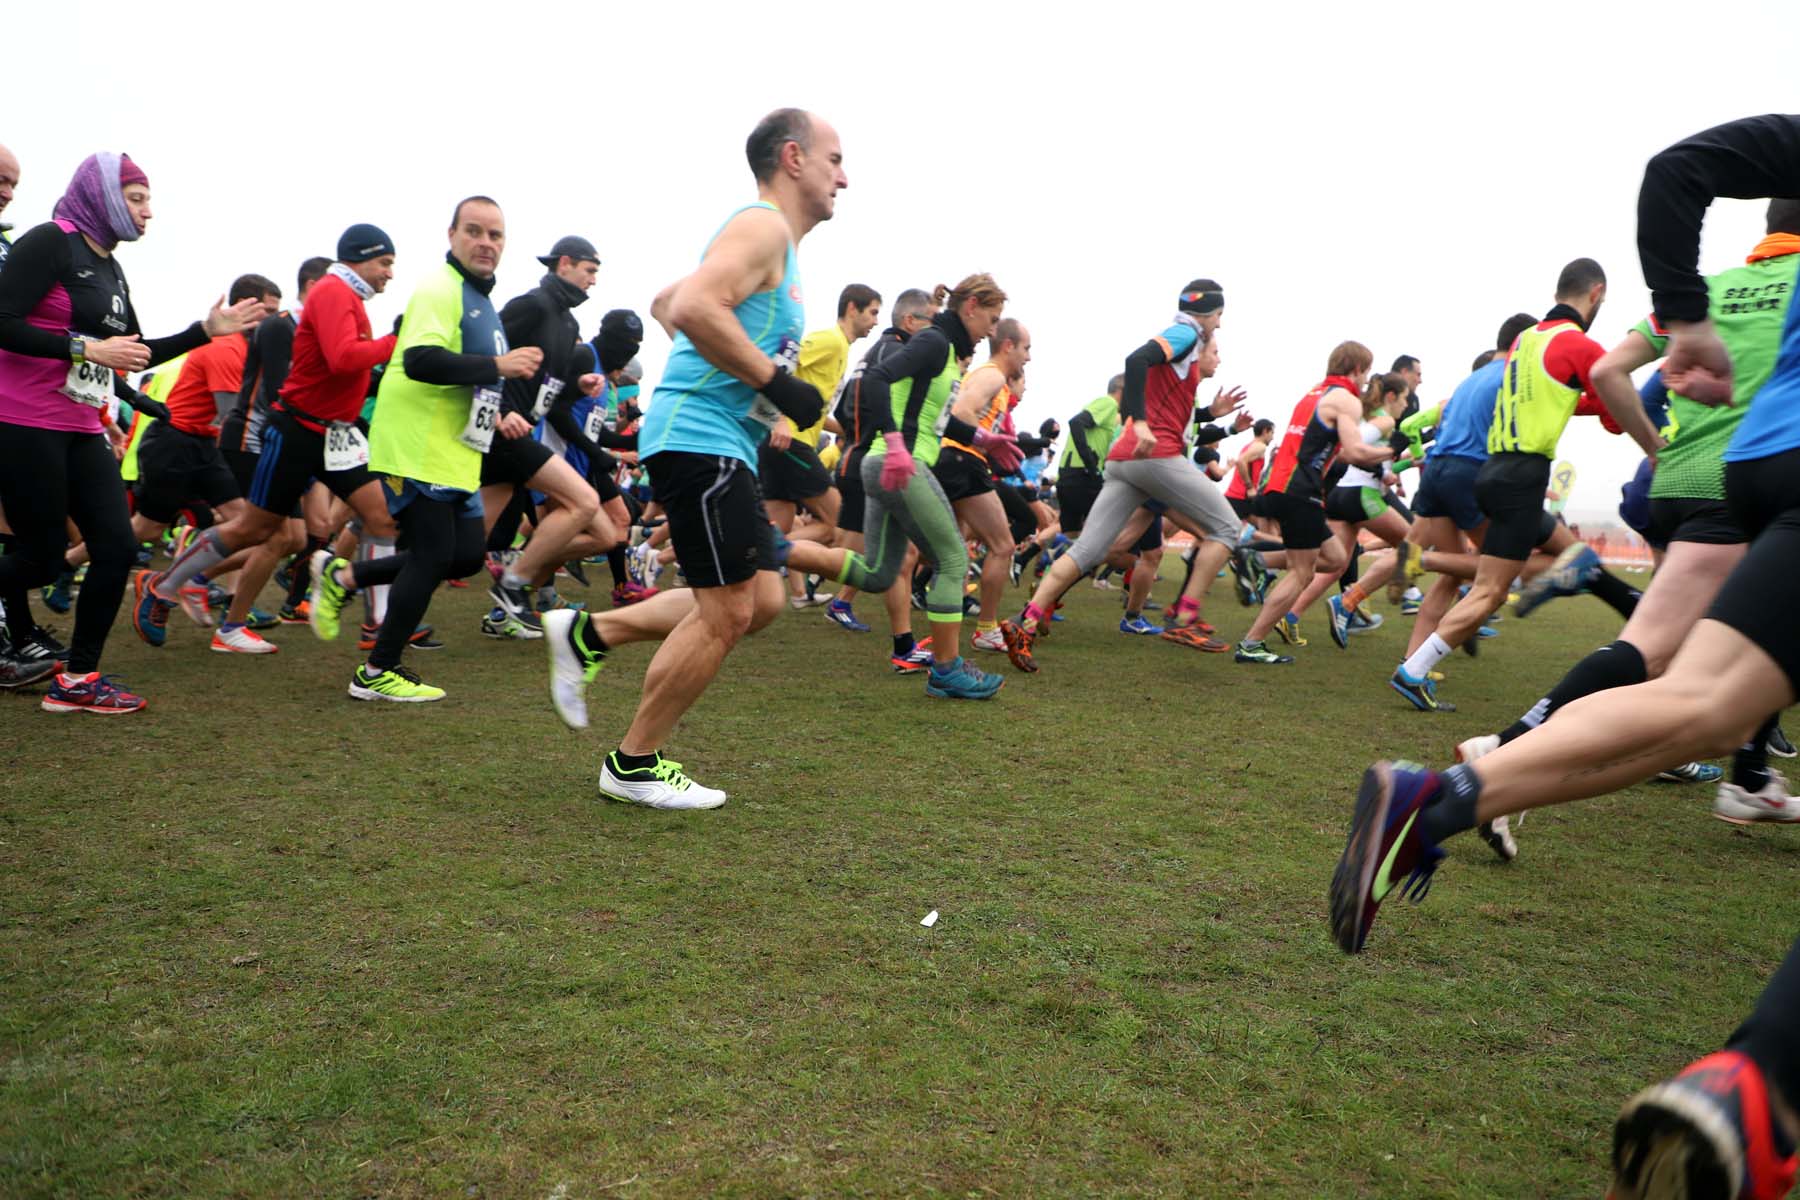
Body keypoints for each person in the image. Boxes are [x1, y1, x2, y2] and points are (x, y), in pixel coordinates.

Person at [1328, 112, 1800, 1200]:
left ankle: (1444, 794)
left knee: (1695, 692)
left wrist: (1672, 363)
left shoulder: (1714, 288)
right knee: (1532, 602)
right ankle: (1763, 1075)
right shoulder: (1557, 344)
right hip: (1702, 484)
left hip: (1754, 471)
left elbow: (1667, 208)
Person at [545, 108, 846, 808]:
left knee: (761, 598)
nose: (845, 176)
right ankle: (634, 763)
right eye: (835, 159)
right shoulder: (764, 225)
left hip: (720, 439)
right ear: (794, 157)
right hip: (699, 438)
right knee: (729, 611)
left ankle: (589, 635)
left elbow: (666, 301)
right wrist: (776, 384)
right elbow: (692, 307)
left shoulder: (778, 247)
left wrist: (728, 366)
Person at [0, 152, 263, 713]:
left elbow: (135, 354)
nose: (148, 212)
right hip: (24, 421)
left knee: (116, 546)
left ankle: (76, 680)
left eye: (147, 200)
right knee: (43, 557)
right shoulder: (50, 241)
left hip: (79, 425)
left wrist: (203, 332)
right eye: (137, 198)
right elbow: (2, 321)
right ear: (102, 196)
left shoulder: (111, 267)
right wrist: (83, 346)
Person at [1387, 260, 1655, 706]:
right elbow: (1612, 416)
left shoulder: (1523, 343)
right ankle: (1414, 669)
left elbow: (1552, 397)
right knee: (1491, 590)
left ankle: (1613, 597)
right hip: (1522, 477)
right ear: (1596, 294)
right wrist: (1650, 436)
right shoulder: (1579, 345)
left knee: (1572, 549)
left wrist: (1576, 397)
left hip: (1493, 472)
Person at [309, 196, 545, 701]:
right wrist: (501, 369)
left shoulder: (480, 300)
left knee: (463, 558)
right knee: (435, 552)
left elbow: (471, 372)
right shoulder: (442, 288)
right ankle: (378, 671)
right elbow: (419, 360)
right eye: (475, 231)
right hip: (418, 444)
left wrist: (498, 407)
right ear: (452, 235)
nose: (486, 242)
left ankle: (345, 574)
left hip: (455, 450)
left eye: (496, 235)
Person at [137, 225, 403, 656]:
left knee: (380, 520)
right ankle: (165, 585)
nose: (390, 274)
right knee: (255, 528)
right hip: (295, 432)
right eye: (385, 263)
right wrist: (397, 342)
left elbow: (347, 367)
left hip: (333, 435)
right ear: (359, 257)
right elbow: (341, 358)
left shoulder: (350, 299)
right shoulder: (334, 292)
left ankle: (381, 627)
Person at [1003, 282, 1247, 671]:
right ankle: (1185, 616)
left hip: (1124, 461)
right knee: (1227, 528)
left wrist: (1211, 415)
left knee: (1091, 549)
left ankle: (1026, 621)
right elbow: (1136, 360)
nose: (1219, 327)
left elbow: (1167, 399)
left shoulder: (1183, 359)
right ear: (1210, 314)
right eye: (1219, 317)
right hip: (1152, 456)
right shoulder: (1186, 332)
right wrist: (1142, 422)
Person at [803, 274, 1016, 696]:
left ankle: (777, 549)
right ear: (971, 306)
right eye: (991, 319)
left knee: (880, 571)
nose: (993, 330)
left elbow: (932, 415)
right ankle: (946, 668)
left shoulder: (946, 349)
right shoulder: (935, 342)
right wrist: (897, 444)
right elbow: (877, 379)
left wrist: (981, 437)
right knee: (954, 558)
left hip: (885, 464)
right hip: (898, 463)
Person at [477, 234, 617, 637]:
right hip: (506, 432)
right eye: (589, 271)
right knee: (585, 503)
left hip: (520, 433)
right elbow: (487, 354)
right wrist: (501, 411)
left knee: (463, 552)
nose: (593, 281)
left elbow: (548, 389)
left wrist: (578, 384)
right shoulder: (531, 305)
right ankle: (514, 583)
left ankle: (355, 578)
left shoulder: (569, 321)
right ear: (565, 263)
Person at [1234, 342, 1392, 666]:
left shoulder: (1314, 393)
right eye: (1366, 372)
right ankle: (1251, 643)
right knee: (1302, 572)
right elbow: (1354, 452)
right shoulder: (1346, 399)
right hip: (1300, 490)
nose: (1365, 382)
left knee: (1335, 558)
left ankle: (1257, 561)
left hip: (1284, 485)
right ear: (1358, 368)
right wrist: (1396, 450)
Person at [821, 286, 941, 664]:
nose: (938, 337)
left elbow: (841, 412)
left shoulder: (877, 351)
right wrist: (885, 439)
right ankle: (785, 553)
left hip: (860, 459)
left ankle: (898, 641)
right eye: (932, 324)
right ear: (910, 322)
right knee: (884, 556)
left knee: (885, 556)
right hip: (873, 462)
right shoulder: (896, 353)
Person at [219, 255, 333, 623]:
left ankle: (197, 582)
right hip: (252, 440)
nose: (270, 316)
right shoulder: (253, 338)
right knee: (268, 534)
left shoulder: (294, 334)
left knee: (296, 537)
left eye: (274, 310)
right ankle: (205, 594)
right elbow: (271, 395)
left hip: (283, 441)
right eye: (264, 310)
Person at [765, 283, 880, 607]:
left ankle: (798, 593)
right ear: (852, 309)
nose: (874, 321)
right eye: (872, 312)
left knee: (779, 528)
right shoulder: (830, 340)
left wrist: (851, 430)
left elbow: (817, 411)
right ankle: (761, 552)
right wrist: (778, 418)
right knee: (835, 524)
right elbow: (776, 368)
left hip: (787, 444)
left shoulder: (842, 349)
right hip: (791, 443)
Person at [936, 317, 1030, 652]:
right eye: (1026, 348)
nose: (1028, 357)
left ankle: (916, 637)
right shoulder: (991, 374)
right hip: (963, 461)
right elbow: (961, 410)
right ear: (1008, 346)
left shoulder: (990, 377)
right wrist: (983, 442)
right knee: (1003, 545)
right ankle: (986, 629)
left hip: (954, 459)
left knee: (941, 551)